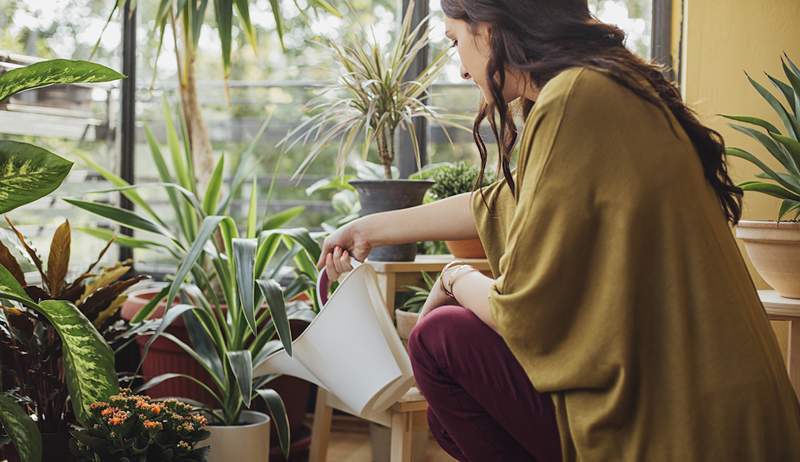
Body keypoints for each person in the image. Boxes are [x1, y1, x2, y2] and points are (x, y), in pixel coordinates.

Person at [315, 1, 800, 460]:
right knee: (450, 412)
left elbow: (527, 315)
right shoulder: (607, 87)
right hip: (725, 410)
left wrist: (455, 277)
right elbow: (503, 202)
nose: (460, 69)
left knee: (440, 337)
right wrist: (368, 228)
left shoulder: (574, 99)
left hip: (678, 426)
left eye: (454, 41)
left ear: (489, 27)